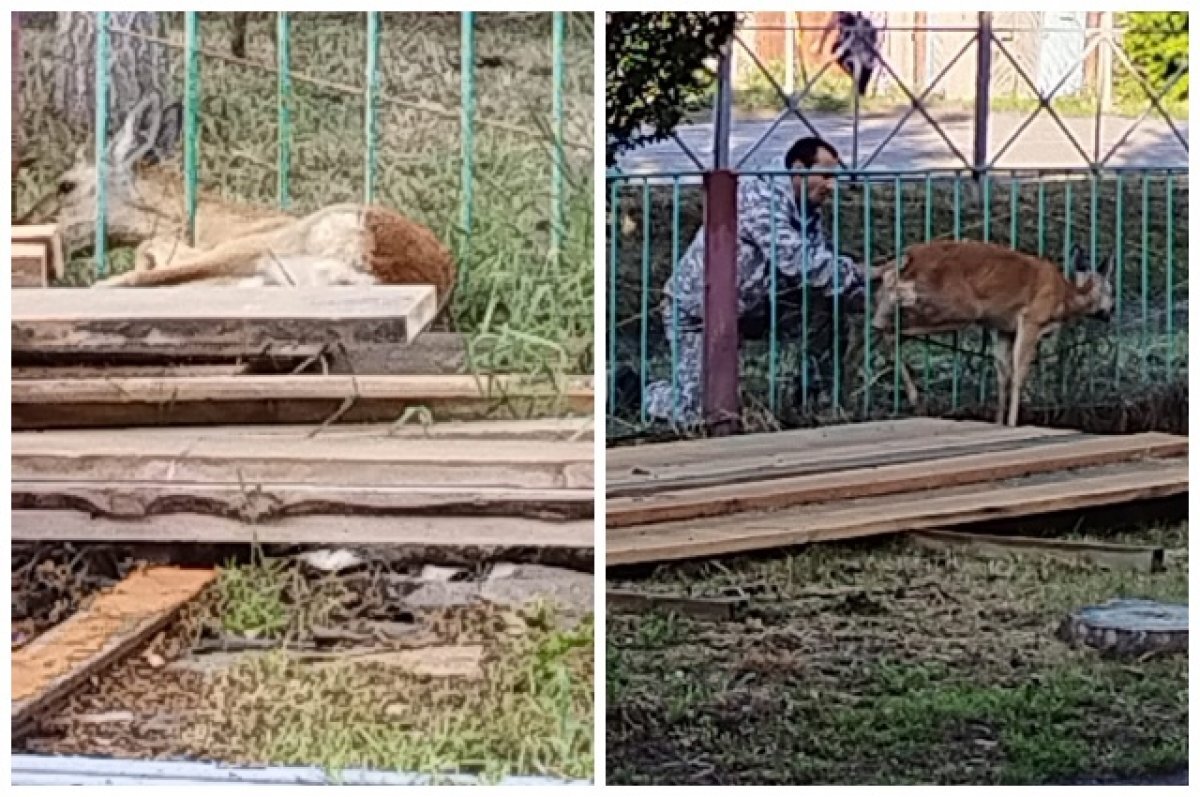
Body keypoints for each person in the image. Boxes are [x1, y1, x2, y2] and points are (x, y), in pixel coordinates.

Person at [631, 136, 865, 425]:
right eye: (826, 176)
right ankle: (635, 393)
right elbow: (796, 259)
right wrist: (859, 272)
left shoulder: (804, 207)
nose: (832, 186)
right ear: (797, 169)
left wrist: (857, 287)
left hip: (751, 307)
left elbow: (820, 258)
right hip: (697, 312)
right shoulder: (759, 197)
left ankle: (814, 398)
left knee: (826, 308)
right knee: (696, 410)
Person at [817, 12, 883, 97]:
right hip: (860, 53)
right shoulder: (845, 18)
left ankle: (860, 91)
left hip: (865, 55)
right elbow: (832, 24)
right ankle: (859, 90)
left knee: (861, 85)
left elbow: (853, 37)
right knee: (860, 88)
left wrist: (838, 53)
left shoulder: (860, 20)